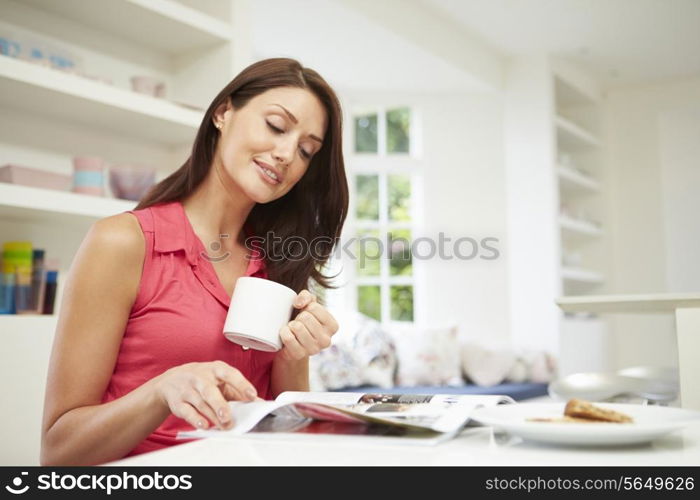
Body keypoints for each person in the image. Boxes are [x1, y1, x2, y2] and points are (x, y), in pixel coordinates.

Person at [40, 58, 348, 465]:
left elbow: (284, 431)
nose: (288, 153)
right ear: (223, 113)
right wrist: (161, 390)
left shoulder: (278, 264)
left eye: (307, 150)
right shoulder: (123, 242)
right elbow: (59, 451)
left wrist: (295, 353)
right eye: (276, 126)